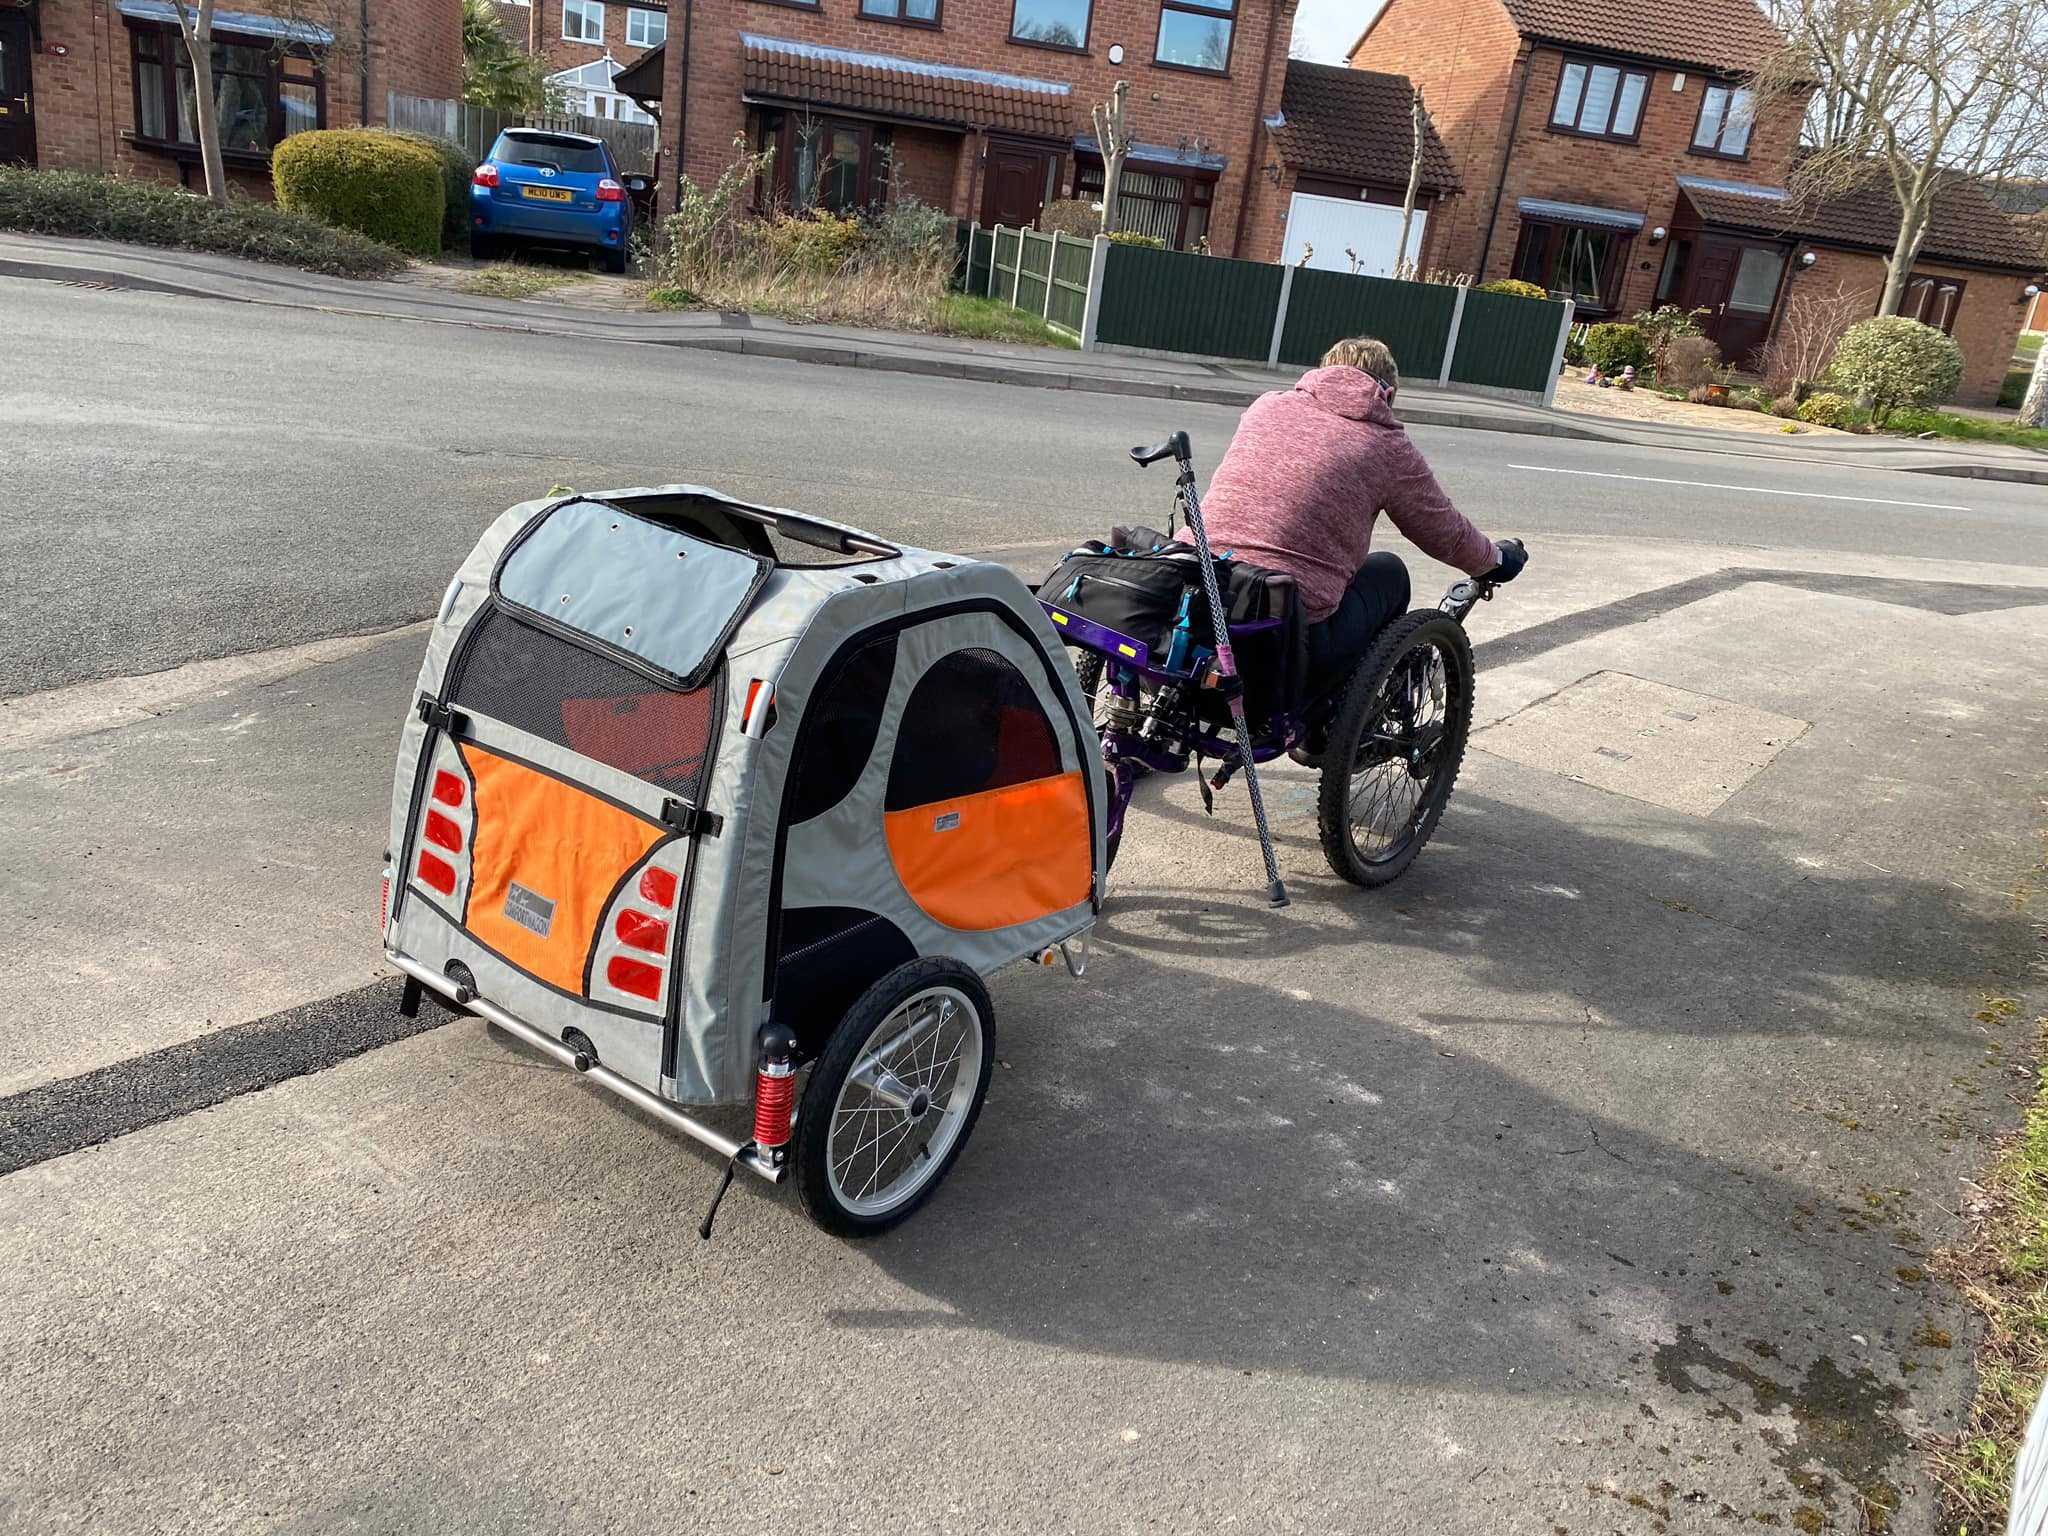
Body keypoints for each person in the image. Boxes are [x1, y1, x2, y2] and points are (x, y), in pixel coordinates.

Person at [1180, 335, 1525, 689]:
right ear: (1387, 396)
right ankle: (1336, 718)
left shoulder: (1264, 406)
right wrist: (1497, 560)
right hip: (1290, 624)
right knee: (1389, 573)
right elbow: (1444, 531)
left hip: (1196, 586)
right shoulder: (1384, 443)